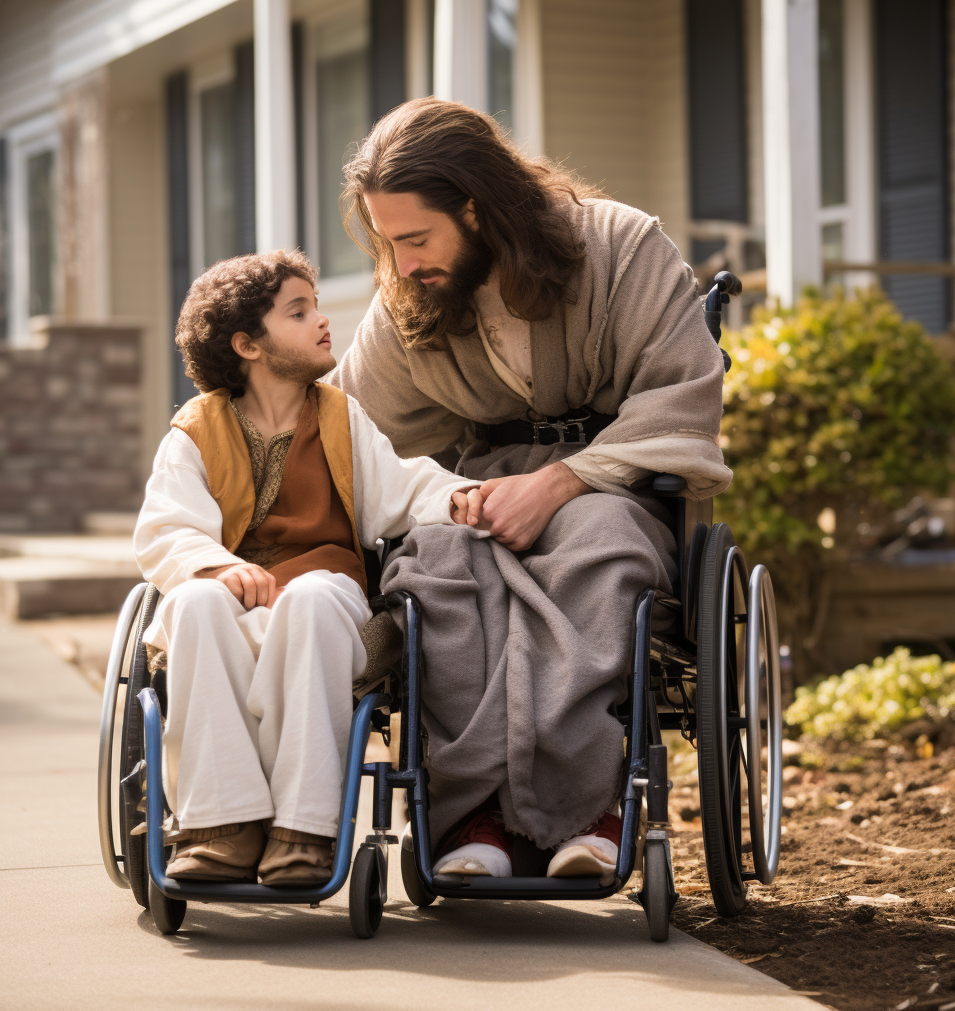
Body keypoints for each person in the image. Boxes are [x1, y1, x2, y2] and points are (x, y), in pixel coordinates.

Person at [328, 97, 731, 883]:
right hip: (479, 488)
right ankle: (475, 819)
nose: (403, 264)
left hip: (617, 483)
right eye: (388, 244)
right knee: (435, 565)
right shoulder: (411, 291)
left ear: (476, 209)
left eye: (416, 238)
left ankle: (593, 813)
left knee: (596, 551)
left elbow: (682, 391)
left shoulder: (620, 244)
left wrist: (562, 482)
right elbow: (348, 427)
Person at [133, 250, 480, 885]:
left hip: (328, 600)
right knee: (193, 603)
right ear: (248, 344)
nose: (322, 322)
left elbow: (399, 487)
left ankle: (303, 826)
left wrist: (455, 498)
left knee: (314, 596)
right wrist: (213, 568)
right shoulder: (195, 431)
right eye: (299, 312)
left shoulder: (341, 418)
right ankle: (220, 823)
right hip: (233, 599)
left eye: (317, 307)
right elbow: (167, 528)